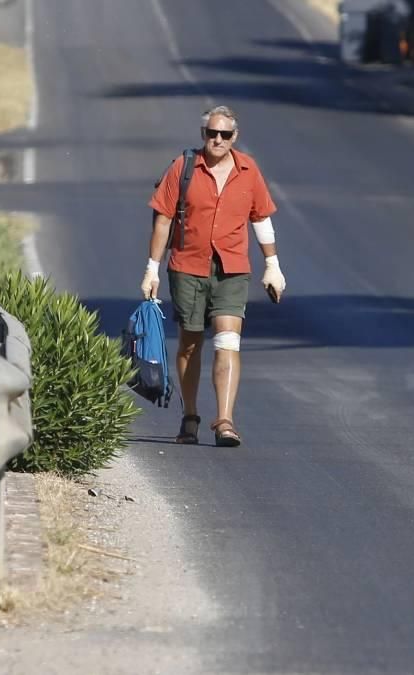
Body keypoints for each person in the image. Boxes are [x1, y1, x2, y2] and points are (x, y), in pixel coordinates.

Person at [140, 105, 286, 448]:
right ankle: (190, 415)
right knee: (190, 342)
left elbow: (261, 218)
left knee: (228, 340)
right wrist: (151, 268)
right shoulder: (184, 167)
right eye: (211, 133)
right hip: (187, 267)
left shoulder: (249, 171)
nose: (217, 140)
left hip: (232, 270)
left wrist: (273, 265)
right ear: (203, 134)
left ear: (235, 137)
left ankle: (225, 420)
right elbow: (163, 218)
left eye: (224, 135)